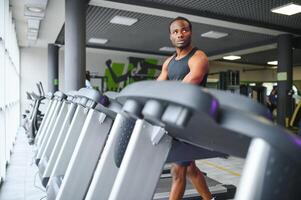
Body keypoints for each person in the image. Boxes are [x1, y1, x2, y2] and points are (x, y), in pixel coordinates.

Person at [157, 17, 213, 200]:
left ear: (190, 32)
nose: (180, 34)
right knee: (190, 169)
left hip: (191, 121)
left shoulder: (198, 58)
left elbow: (186, 85)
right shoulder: (168, 62)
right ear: (170, 36)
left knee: (177, 170)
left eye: (184, 30)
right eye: (175, 31)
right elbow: (158, 88)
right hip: (174, 117)